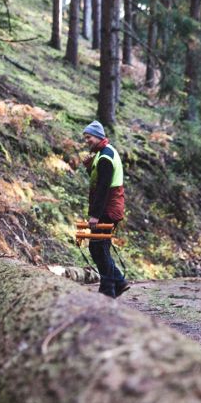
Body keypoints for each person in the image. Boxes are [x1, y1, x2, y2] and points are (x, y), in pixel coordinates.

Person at [81, 120, 129, 297]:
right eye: (85, 138)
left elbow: (103, 188)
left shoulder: (106, 157)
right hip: (108, 208)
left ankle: (110, 287)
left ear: (98, 137)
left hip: (108, 209)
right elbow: (98, 181)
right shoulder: (103, 154)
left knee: (98, 247)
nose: (87, 141)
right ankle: (114, 284)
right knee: (99, 247)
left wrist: (95, 215)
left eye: (89, 137)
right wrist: (89, 168)